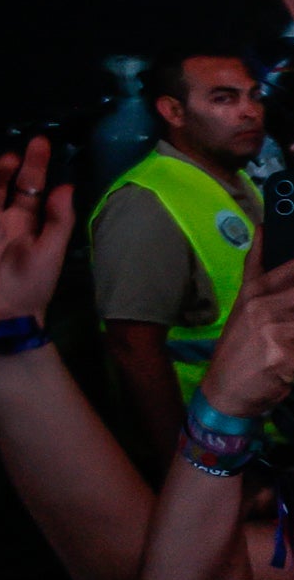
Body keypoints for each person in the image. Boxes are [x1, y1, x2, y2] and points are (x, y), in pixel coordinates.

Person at [90, 47, 266, 458]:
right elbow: (133, 351)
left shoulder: (238, 181)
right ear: (173, 111)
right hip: (219, 456)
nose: (250, 112)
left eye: (254, 96)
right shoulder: (145, 204)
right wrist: (187, 466)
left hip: (265, 440)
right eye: (224, 99)